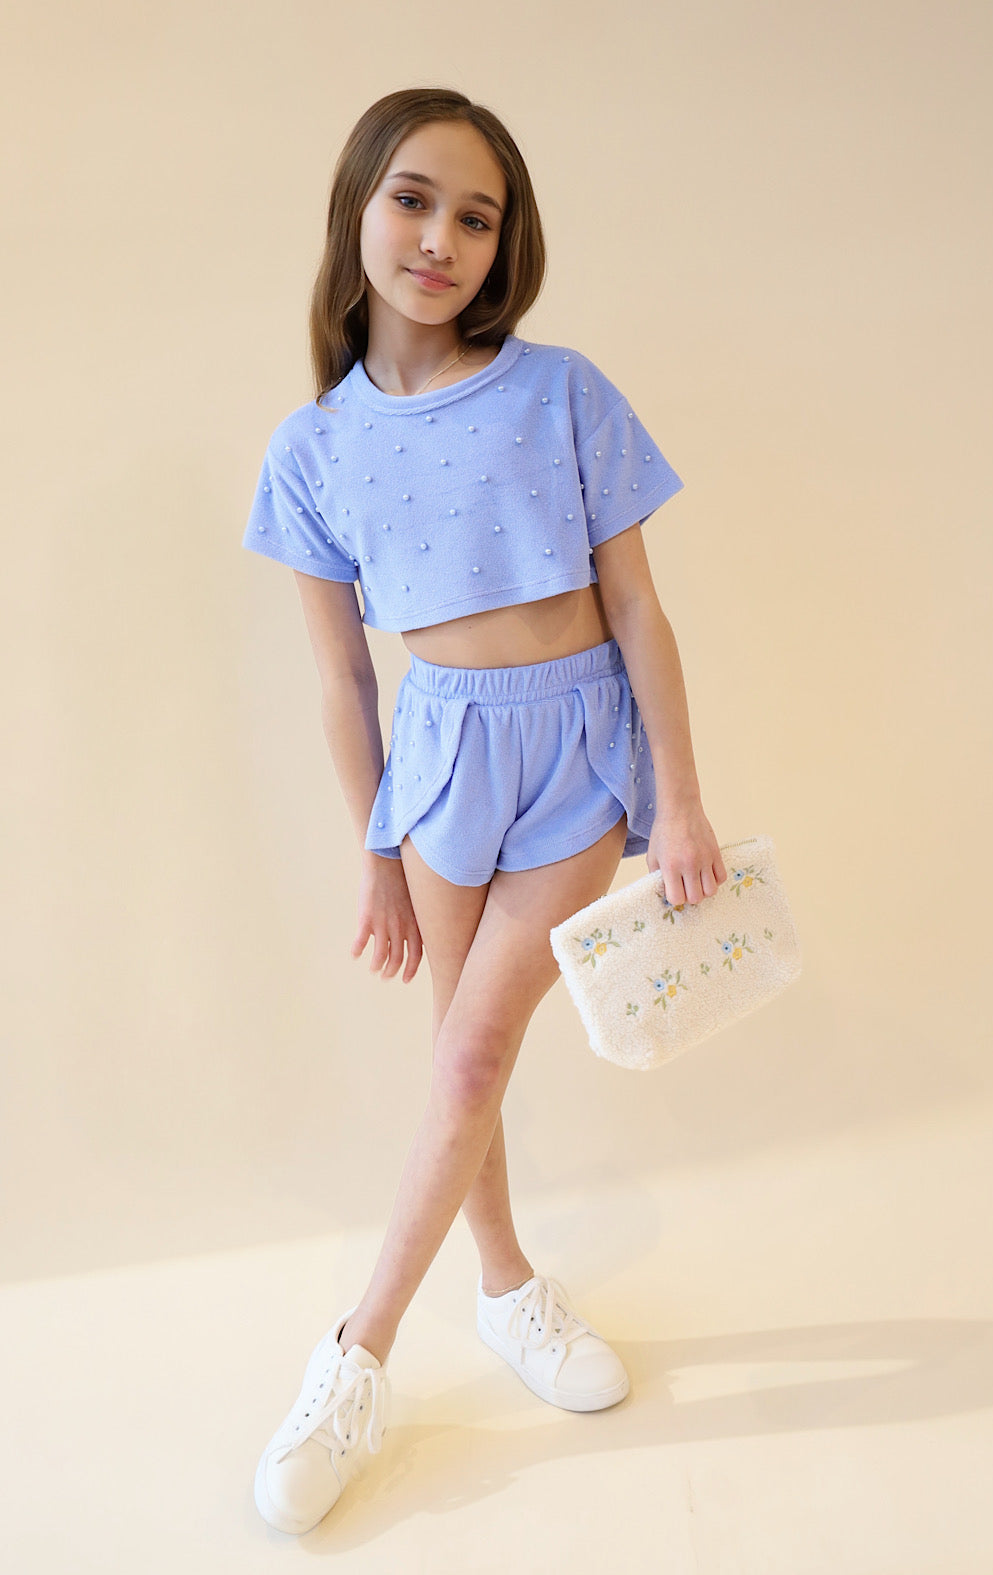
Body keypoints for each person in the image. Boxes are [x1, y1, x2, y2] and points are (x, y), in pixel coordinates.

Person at [242, 85, 727, 1535]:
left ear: (505, 243)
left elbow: (638, 611)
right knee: (468, 1059)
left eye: (476, 216)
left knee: (469, 1059)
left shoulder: (560, 390)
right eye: (413, 200)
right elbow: (342, 679)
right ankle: (507, 1285)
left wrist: (682, 802)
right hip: (441, 763)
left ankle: (354, 1357)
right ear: (357, 209)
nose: (440, 240)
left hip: (576, 745)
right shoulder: (311, 449)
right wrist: (376, 852)